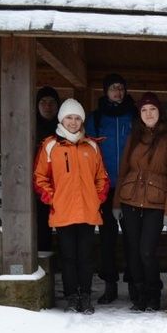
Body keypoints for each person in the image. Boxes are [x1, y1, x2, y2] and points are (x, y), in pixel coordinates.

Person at [34, 99, 110, 315]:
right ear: (61, 119)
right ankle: (71, 296)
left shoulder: (92, 146)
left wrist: (96, 199)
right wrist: (53, 199)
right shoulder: (50, 146)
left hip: (87, 210)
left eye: (77, 118)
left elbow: (101, 177)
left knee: (85, 256)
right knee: (68, 256)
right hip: (64, 211)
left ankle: (85, 296)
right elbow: (40, 178)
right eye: (69, 117)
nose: (73, 122)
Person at [112, 92, 167, 312]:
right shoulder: (135, 135)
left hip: (155, 203)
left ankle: (153, 294)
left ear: (160, 112)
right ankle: (138, 295)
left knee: (147, 251)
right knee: (132, 251)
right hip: (130, 200)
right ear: (139, 114)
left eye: (152, 109)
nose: (148, 114)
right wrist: (116, 202)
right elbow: (123, 170)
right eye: (144, 110)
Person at [85, 73, 136, 304]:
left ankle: (135, 284)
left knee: (132, 238)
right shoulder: (95, 119)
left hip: (129, 187)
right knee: (106, 239)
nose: (117, 91)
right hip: (104, 188)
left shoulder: (134, 115)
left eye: (121, 87)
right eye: (113, 88)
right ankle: (110, 284)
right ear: (105, 91)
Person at [33, 86, 60, 252]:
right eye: (43, 102)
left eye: (52, 102)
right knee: (41, 228)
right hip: (40, 188)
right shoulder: (29, 128)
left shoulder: (66, 129)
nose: (47, 106)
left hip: (63, 187)